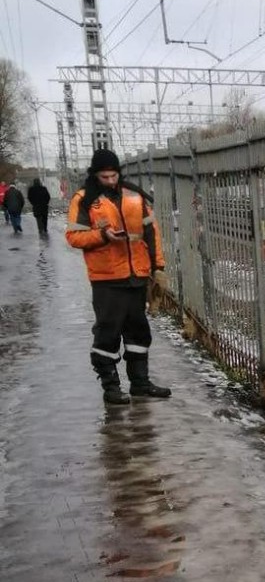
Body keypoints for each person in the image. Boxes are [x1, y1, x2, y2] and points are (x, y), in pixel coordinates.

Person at [65, 149, 172, 405]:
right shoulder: (84, 200)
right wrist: (103, 236)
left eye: (114, 175)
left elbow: (151, 232)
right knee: (108, 332)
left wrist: (158, 267)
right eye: (105, 177)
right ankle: (111, 388)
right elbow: (73, 237)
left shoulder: (134, 195)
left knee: (138, 330)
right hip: (107, 279)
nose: (111, 181)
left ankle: (140, 384)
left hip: (137, 275)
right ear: (95, 175)